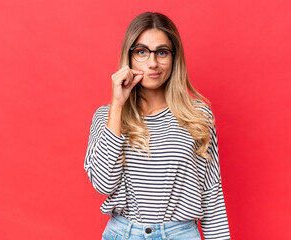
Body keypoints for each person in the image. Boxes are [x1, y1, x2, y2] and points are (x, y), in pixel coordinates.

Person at [84, 12, 230, 240]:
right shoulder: (107, 116)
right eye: (142, 52)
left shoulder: (198, 115)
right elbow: (103, 183)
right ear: (129, 57)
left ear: (174, 58)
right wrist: (117, 105)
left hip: (180, 234)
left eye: (162, 52)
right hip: (123, 234)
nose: (153, 63)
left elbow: (211, 194)